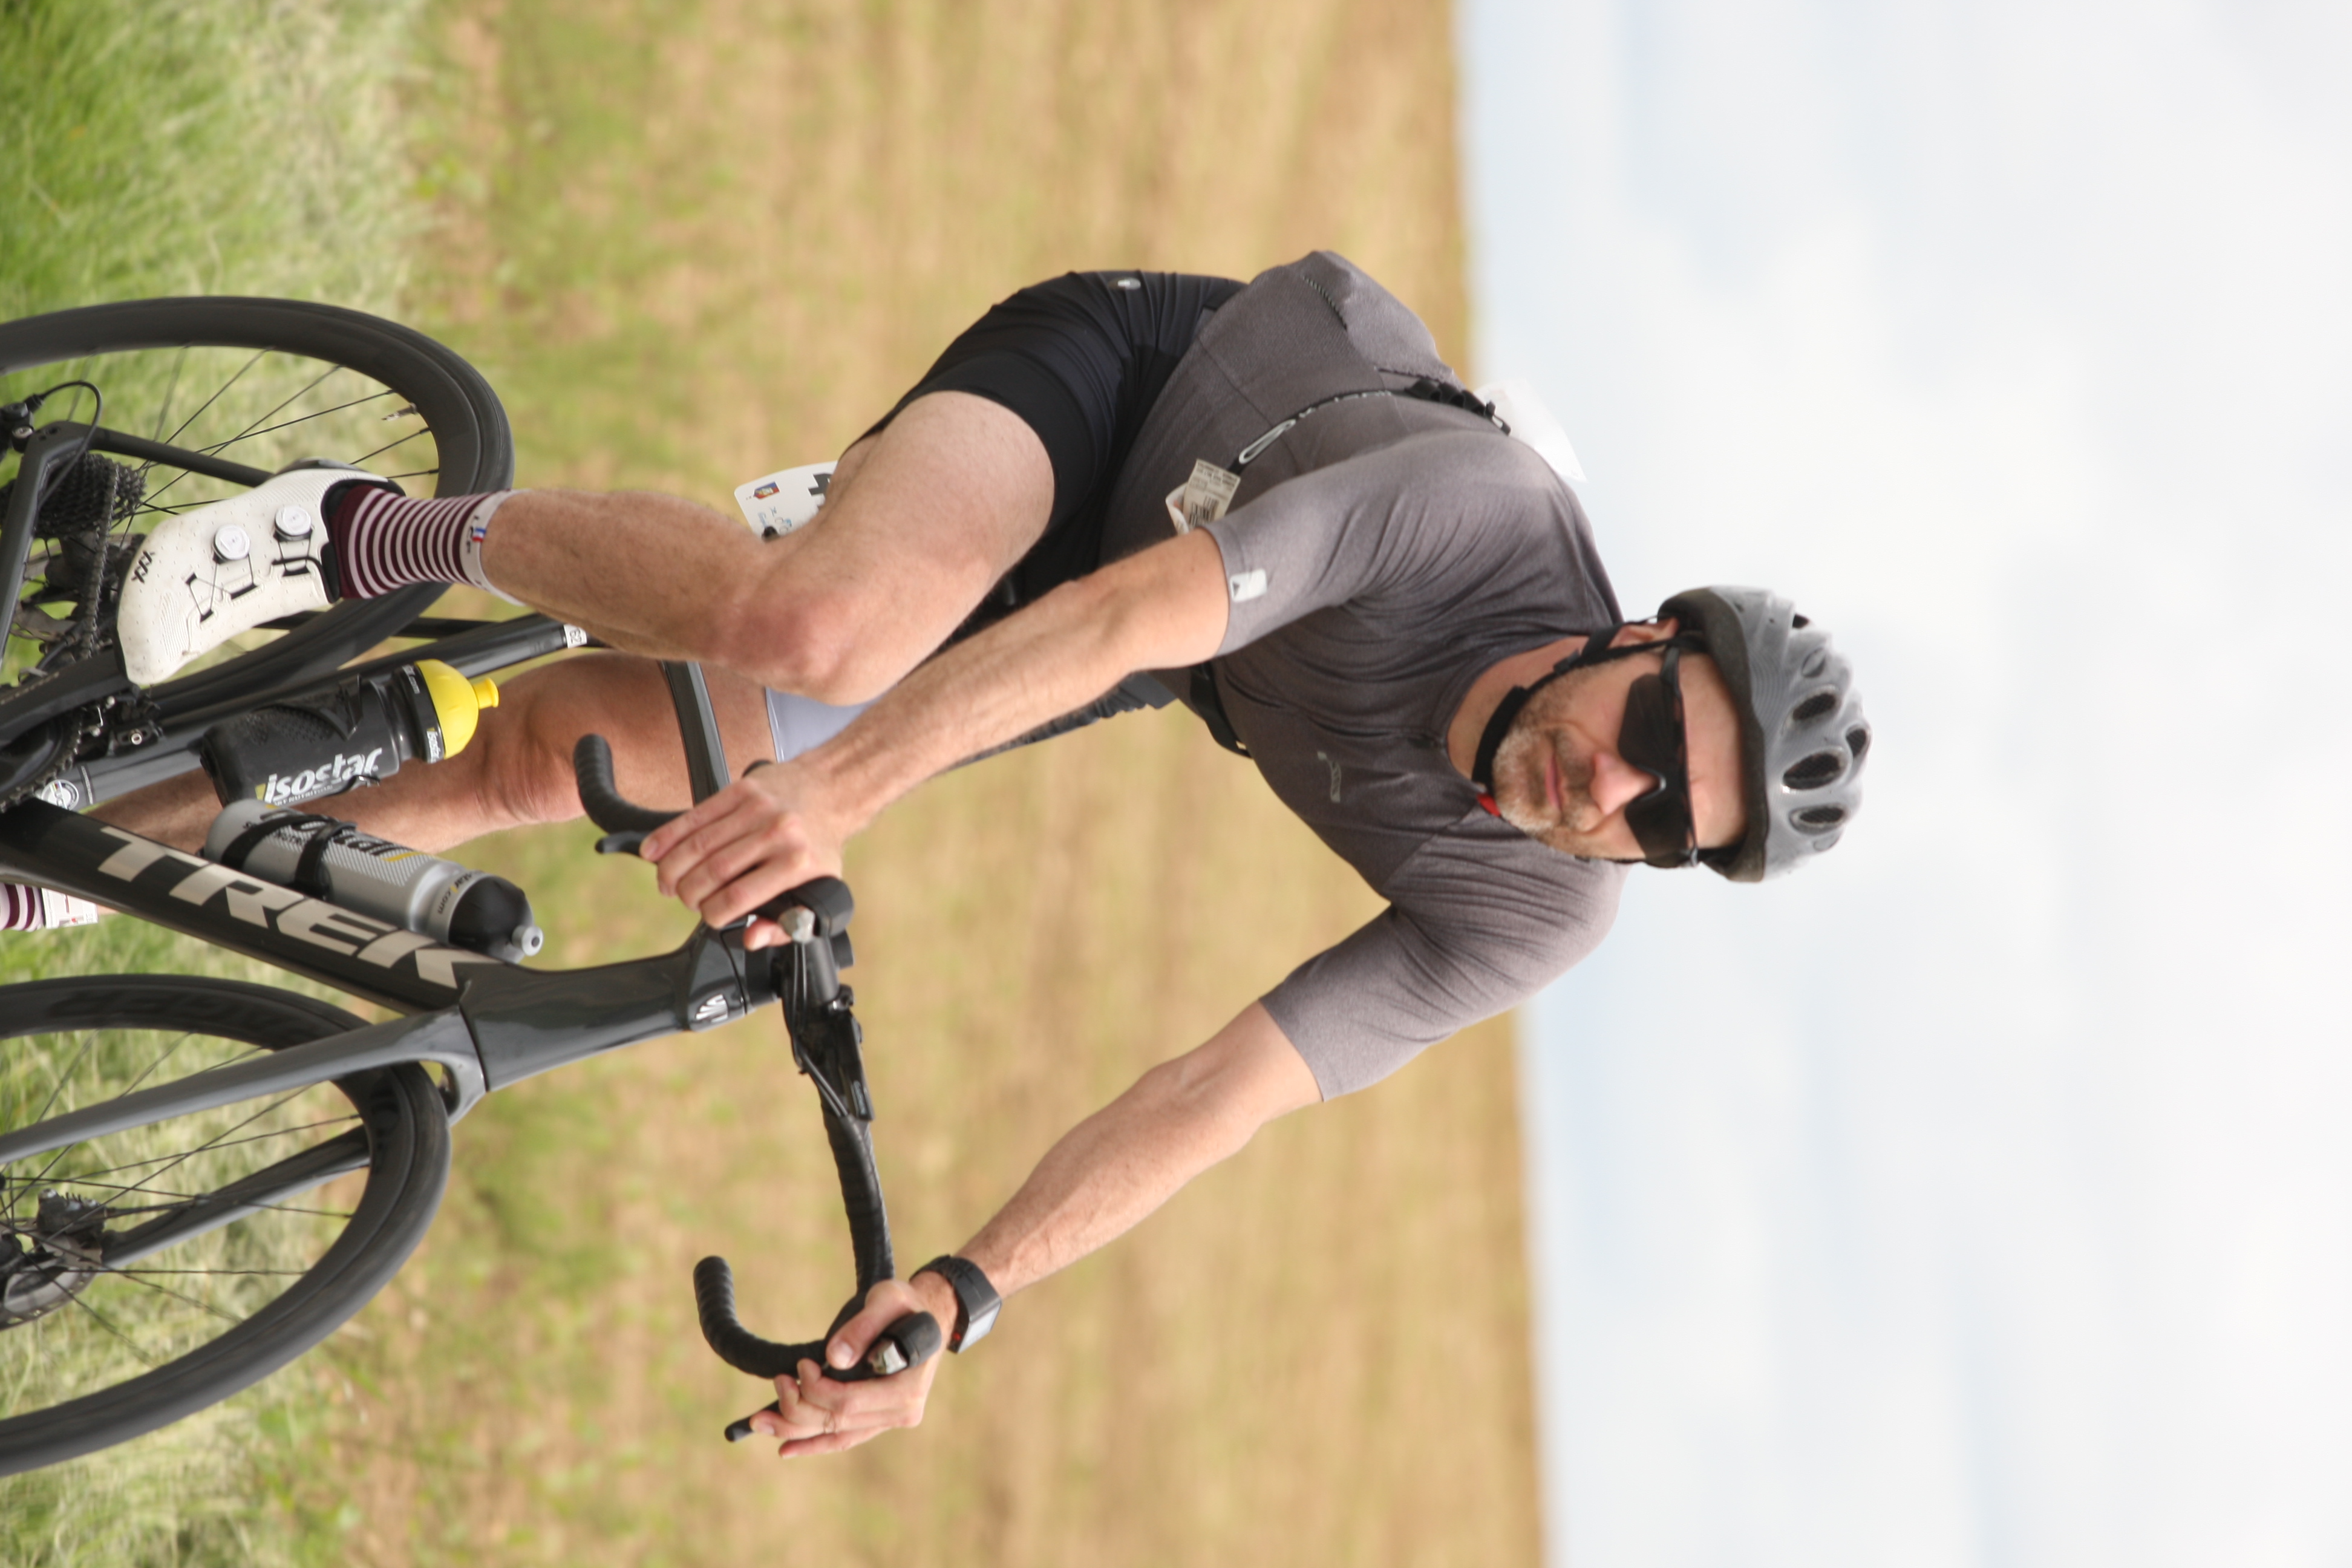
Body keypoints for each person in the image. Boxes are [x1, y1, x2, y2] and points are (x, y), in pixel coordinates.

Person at [16, 253, 1870, 1457]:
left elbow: (1223, 1094)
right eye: (1650, 731)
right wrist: (839, 793)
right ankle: (381, 532)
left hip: (1149, 645)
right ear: (1638, 634)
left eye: (1666, 822)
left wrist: (969, 1292)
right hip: (1134, 415)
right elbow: (1130, 615)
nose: (1612, 789)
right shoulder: (1473, 516)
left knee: (549, 761)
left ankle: (58, 854)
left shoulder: (1534, 909)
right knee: (825, 634)